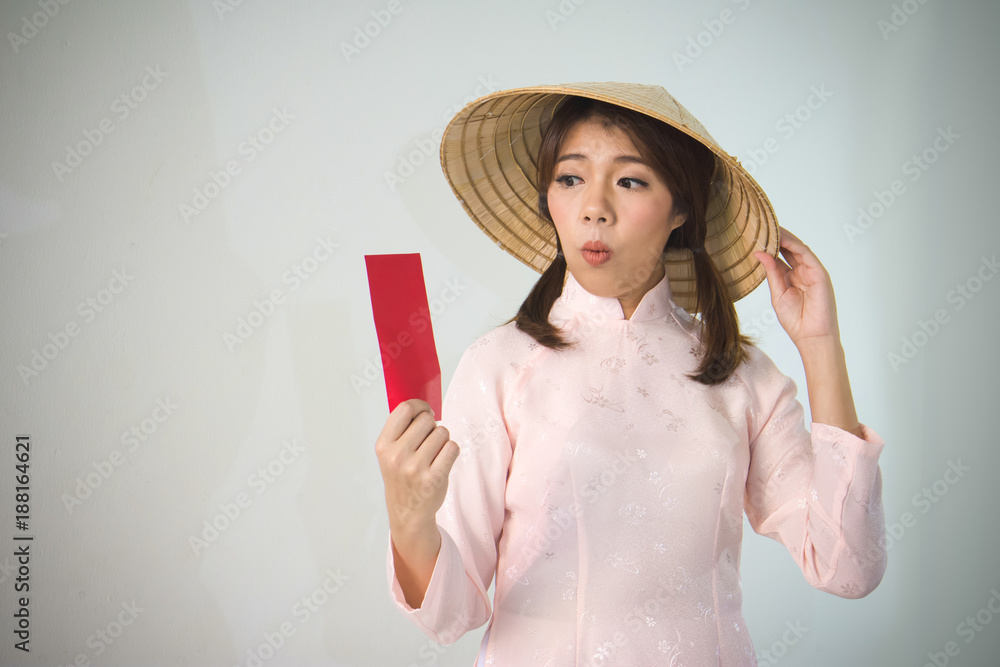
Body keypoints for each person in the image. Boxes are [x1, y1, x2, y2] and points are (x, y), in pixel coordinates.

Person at [375, 82, 887, 666]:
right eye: (571, 178)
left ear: (682, 209)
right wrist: (409, 516)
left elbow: (848, 568)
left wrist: (820, 347)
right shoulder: (500, 364)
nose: (594, 207)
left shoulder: (741, 377)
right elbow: (449, 615)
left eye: (630, 181)